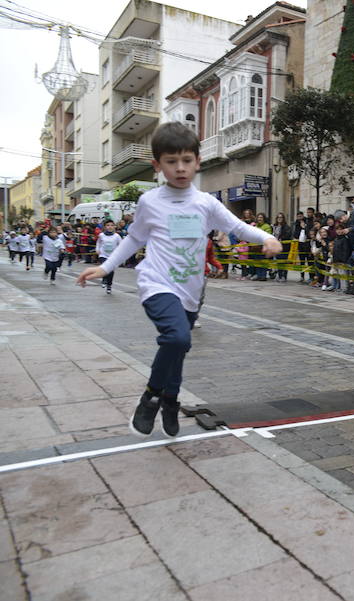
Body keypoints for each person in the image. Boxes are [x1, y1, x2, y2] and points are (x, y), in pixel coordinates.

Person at [76, 122, 281, 438]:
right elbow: (133, 239)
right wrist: (105, 267)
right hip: (157, 283)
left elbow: (239, 227)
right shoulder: (150, 202)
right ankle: (151, 398)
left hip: (190, 291)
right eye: (171, 162)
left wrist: (267, 237)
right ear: (157, 166)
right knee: (177, 339)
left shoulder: (206, 203)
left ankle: (170, 401)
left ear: (198, 161)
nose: (180, 168)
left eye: (187, 160)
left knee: (177, 350)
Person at [96, 220, 123, 294]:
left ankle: (109, 285)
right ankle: (104, 280)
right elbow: (98, 243)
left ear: (114, 227)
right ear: (105, 227)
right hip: (103, 255)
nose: (110, 227)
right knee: (104, 268)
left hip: (113, 256)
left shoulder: (117, 236)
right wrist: (97, 249)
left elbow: (121, 245)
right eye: (108, 225)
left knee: (110, 271)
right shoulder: (101, 235)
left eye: (111, 225)